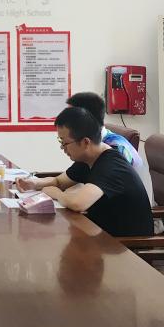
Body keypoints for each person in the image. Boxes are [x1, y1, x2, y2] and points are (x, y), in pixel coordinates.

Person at [16, 106, 153, 237]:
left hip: (126, 246)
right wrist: (33, 184)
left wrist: (56, 193)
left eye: (64, 142)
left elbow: (78, 204)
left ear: (85, 142)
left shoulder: (111, 165)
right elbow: (59, 181)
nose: (62, 148)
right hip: (100, 234)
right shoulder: (89, 157)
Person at [66, 92, 154, 205]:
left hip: (127, 211)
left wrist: (61, 194)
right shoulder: (91, 146)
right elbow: (65, 180)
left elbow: (81, 202)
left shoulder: (115, 149)